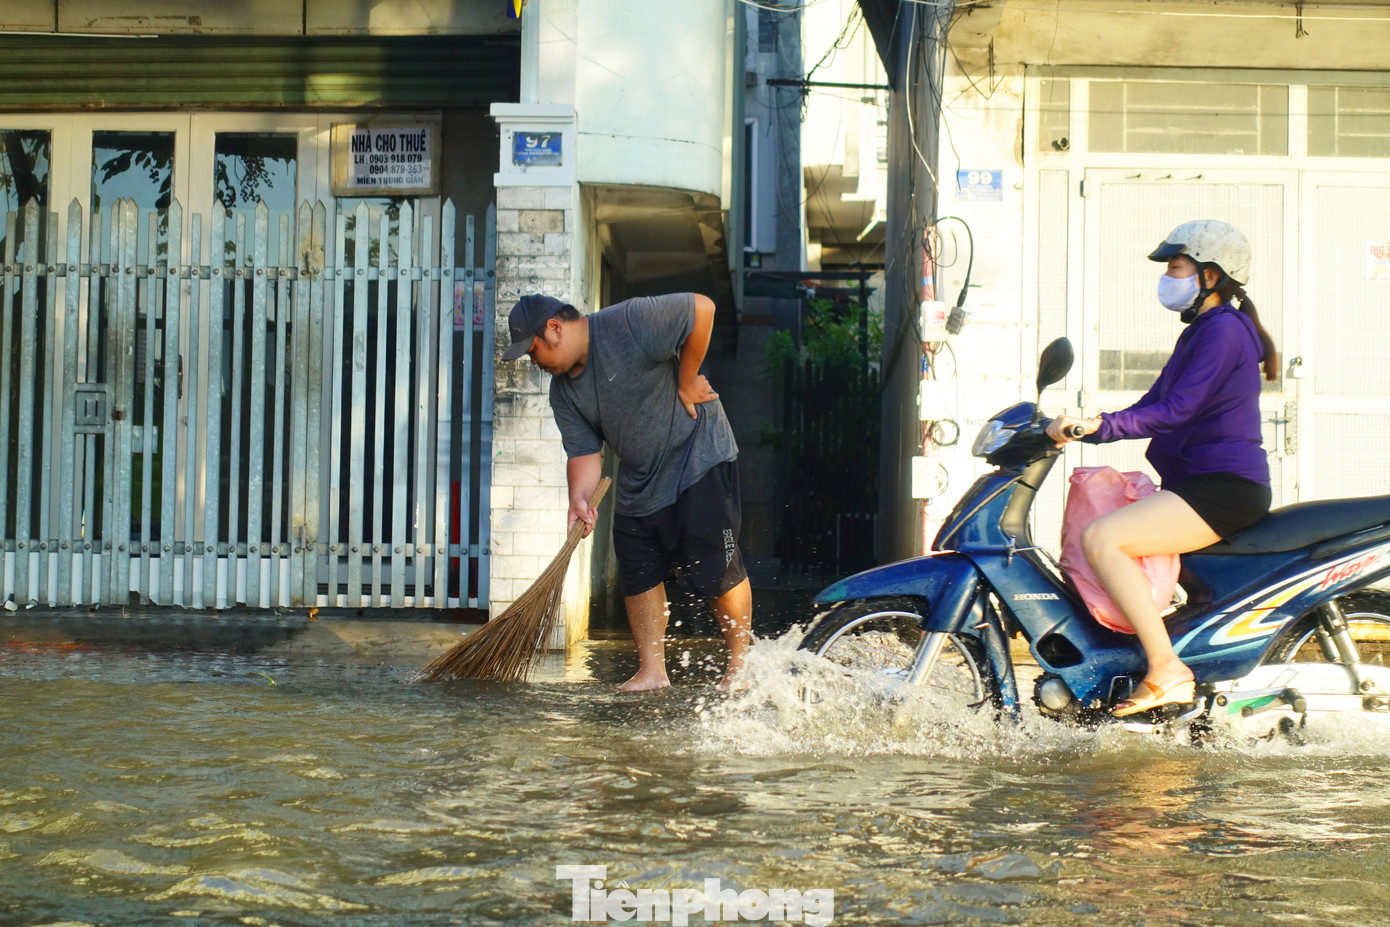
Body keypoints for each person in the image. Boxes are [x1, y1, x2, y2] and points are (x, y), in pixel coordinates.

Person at [1046, 220, 1278, 717]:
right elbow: (1154, 403)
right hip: (1201, 482)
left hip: (1223, 487)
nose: (1167, 279)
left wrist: (1099, 427)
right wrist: (1091, 424)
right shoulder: (1203, 332)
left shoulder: (1223, 332)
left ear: (1210, 276)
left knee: (1103, 539)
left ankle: (1167, 670)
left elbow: (1177, 411)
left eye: (1176, 268)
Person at [501, 292, 752, 692]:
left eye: (532, 351)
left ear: (554, 328)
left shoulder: (628, 322)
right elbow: (584, 453)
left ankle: (741, 667)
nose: (533, 362)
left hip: (697, 456)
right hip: (640, 477)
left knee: (714, 566)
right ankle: (652, 673)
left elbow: (703, 308)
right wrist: (579, 499)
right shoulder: (563, 393)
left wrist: (687, 381)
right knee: (637, 567)